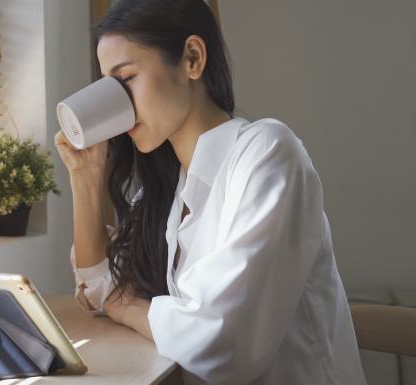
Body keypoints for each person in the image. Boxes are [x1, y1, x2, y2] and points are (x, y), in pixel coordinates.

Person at [54, 0, 367, 384]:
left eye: (126, 79)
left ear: (192, 58)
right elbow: (99, 288)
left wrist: (125, 308)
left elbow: (221, 342)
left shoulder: (268, 153)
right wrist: (85, 178)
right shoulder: (167, 190)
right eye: (107, 85)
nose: (118, 102)